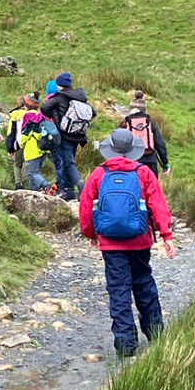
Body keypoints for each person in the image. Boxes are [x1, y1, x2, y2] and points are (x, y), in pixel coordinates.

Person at [78, 128, 176, 361]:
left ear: (110, 149)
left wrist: (90, 233)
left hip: (110, 244)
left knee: (118, 289)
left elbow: (86, 207)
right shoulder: (143, 172)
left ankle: (125, 343)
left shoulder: (99, 173)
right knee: (144, 282)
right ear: (133, 149)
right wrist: (166, 236)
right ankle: (155, 333)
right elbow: (158, 205)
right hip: (140, 240)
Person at [42, 71, 93, 201]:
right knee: (68, 161)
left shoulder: (59, 97)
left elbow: (44, 108)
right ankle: (69, 191)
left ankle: (80, 185)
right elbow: (93, 112)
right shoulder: (80, 97)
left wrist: (56, 118)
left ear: (59, 85)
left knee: (68, 163)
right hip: (77, 135)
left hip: (64, 135)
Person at [123, 101, 170, 177]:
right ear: (144, 110)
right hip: (150, 161)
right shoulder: (149, 123)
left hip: (132, 162)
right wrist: (165, 163)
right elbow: (160, 144)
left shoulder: (126, 124)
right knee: (152, 183)